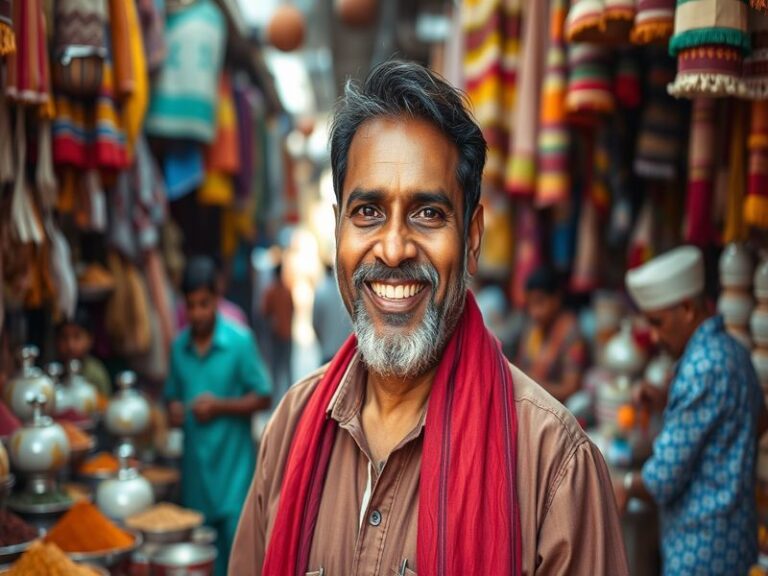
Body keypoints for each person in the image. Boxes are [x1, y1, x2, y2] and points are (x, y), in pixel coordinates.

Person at [230, 60, 628, 575]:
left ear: (473, 236)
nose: (393, 249)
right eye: (368, 212)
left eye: (429, 213)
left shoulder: (553, 466)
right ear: (337, 231)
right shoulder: (291, 428)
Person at [616, 246, 766, 576]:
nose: (654, 336)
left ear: (686, 308)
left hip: (701, 548)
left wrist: (622, 485)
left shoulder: (702, 368)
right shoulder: (732, 351)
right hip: (734, 537)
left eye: (658, 322)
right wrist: (668, 399)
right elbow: (752, 421)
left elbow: (660, 480)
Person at [165, 256, 271, 576]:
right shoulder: (178, 348)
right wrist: (173, 412)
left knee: (240, 564)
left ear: (217, 299)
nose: (197, 313)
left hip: (235, 479)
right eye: (191, 305)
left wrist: (220, 406)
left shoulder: (239, 342)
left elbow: (264, 396)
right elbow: (171, 399)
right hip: (196, 480)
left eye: (204, 304)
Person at [515, 266, 589, 403]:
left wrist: (533, 385)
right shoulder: (532, 328)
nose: (534, 312)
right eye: (530, 304)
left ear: (557, 298)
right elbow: (521, 368)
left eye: (540, 302)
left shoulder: (571, 333)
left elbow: (571, 388)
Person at [55, 307, 111, 397]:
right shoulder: (55, 372)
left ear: (90, 339)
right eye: (64, 337)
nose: (70, 345)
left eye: (77, 337)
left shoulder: (96, 374)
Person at [260, 261, 294, 401]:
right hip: (285, 334)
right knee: (286, 368)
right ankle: (289, 397)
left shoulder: (271, 291)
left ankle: (276, 400)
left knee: (276, 368)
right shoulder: (285, 290)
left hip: (276, 335)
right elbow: (293, 310)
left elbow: (264, 312)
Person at [312, 264, 353, 365]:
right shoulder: (348, 290)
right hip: (347, 355)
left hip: (328, 353)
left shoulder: (320, 291)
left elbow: (315, 323)